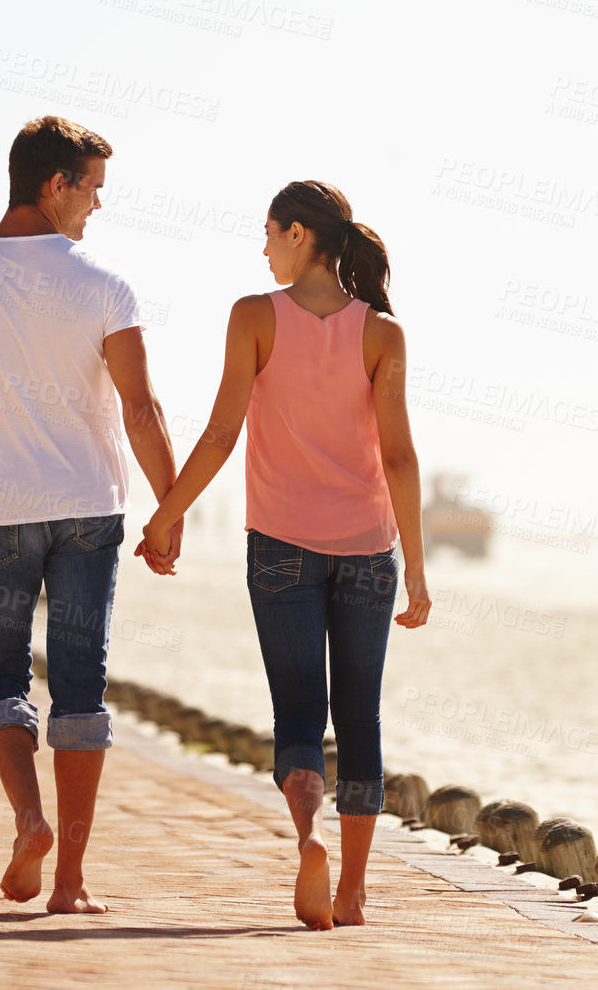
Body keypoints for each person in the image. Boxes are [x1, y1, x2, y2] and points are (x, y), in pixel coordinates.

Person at [0, 115, 181, 914]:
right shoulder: (103, 283)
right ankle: (71, 884)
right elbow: (142, 408)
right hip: (91, 513)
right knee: (82, 689)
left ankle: (29, 820)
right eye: (92, 191)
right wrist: (170, 507)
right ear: (55, 184)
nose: (95, 209)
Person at [141, 180, 432, 930]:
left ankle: (308, 836)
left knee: (299, 714)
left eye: (269, 233)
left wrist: (164, 517)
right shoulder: (383, 333)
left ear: (300, 235)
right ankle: (355, 893)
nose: (264, 247)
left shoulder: (252, 318)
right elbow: (399, 458)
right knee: (360, 717)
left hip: (279, 548)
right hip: (370, 550)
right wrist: (420, 575)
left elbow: (219, 434)